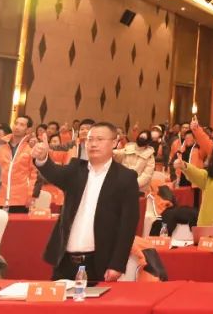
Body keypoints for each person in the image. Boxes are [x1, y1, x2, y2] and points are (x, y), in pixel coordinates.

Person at [31, 121, 139, 282]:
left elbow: (128, 225)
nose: (93, 144)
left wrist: (117, 264)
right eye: (90, 139)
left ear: (115, 142)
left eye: (100, 139)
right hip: (65, 260)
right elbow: (54, 173)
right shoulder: (76, 169)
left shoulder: (125, 177)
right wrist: (42, 159)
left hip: (99, 262)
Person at [0, 114, 37, 212]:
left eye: (22, 125)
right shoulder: (1, 147)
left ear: (28, 130)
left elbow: (34, 174)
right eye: (16, 123)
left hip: (21, 199)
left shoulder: (31, 149)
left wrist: (31, 195)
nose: (17, 127)